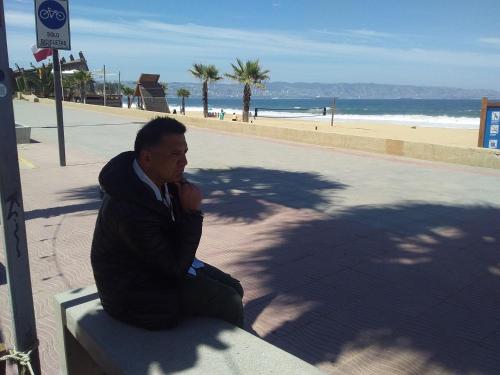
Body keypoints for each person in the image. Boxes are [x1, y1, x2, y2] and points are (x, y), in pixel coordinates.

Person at [91, 117, 244, 330]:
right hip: (133, 295)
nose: (184, 163)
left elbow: (170, 242)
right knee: (230, 300)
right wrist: (191, 213)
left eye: (184, 153)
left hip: (155, 267)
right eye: (175, 155)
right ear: (146, 158)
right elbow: (173, 269)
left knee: (235, 287)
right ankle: (240, 352)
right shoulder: (127, 209)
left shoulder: (161, 179)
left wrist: (183, 207)